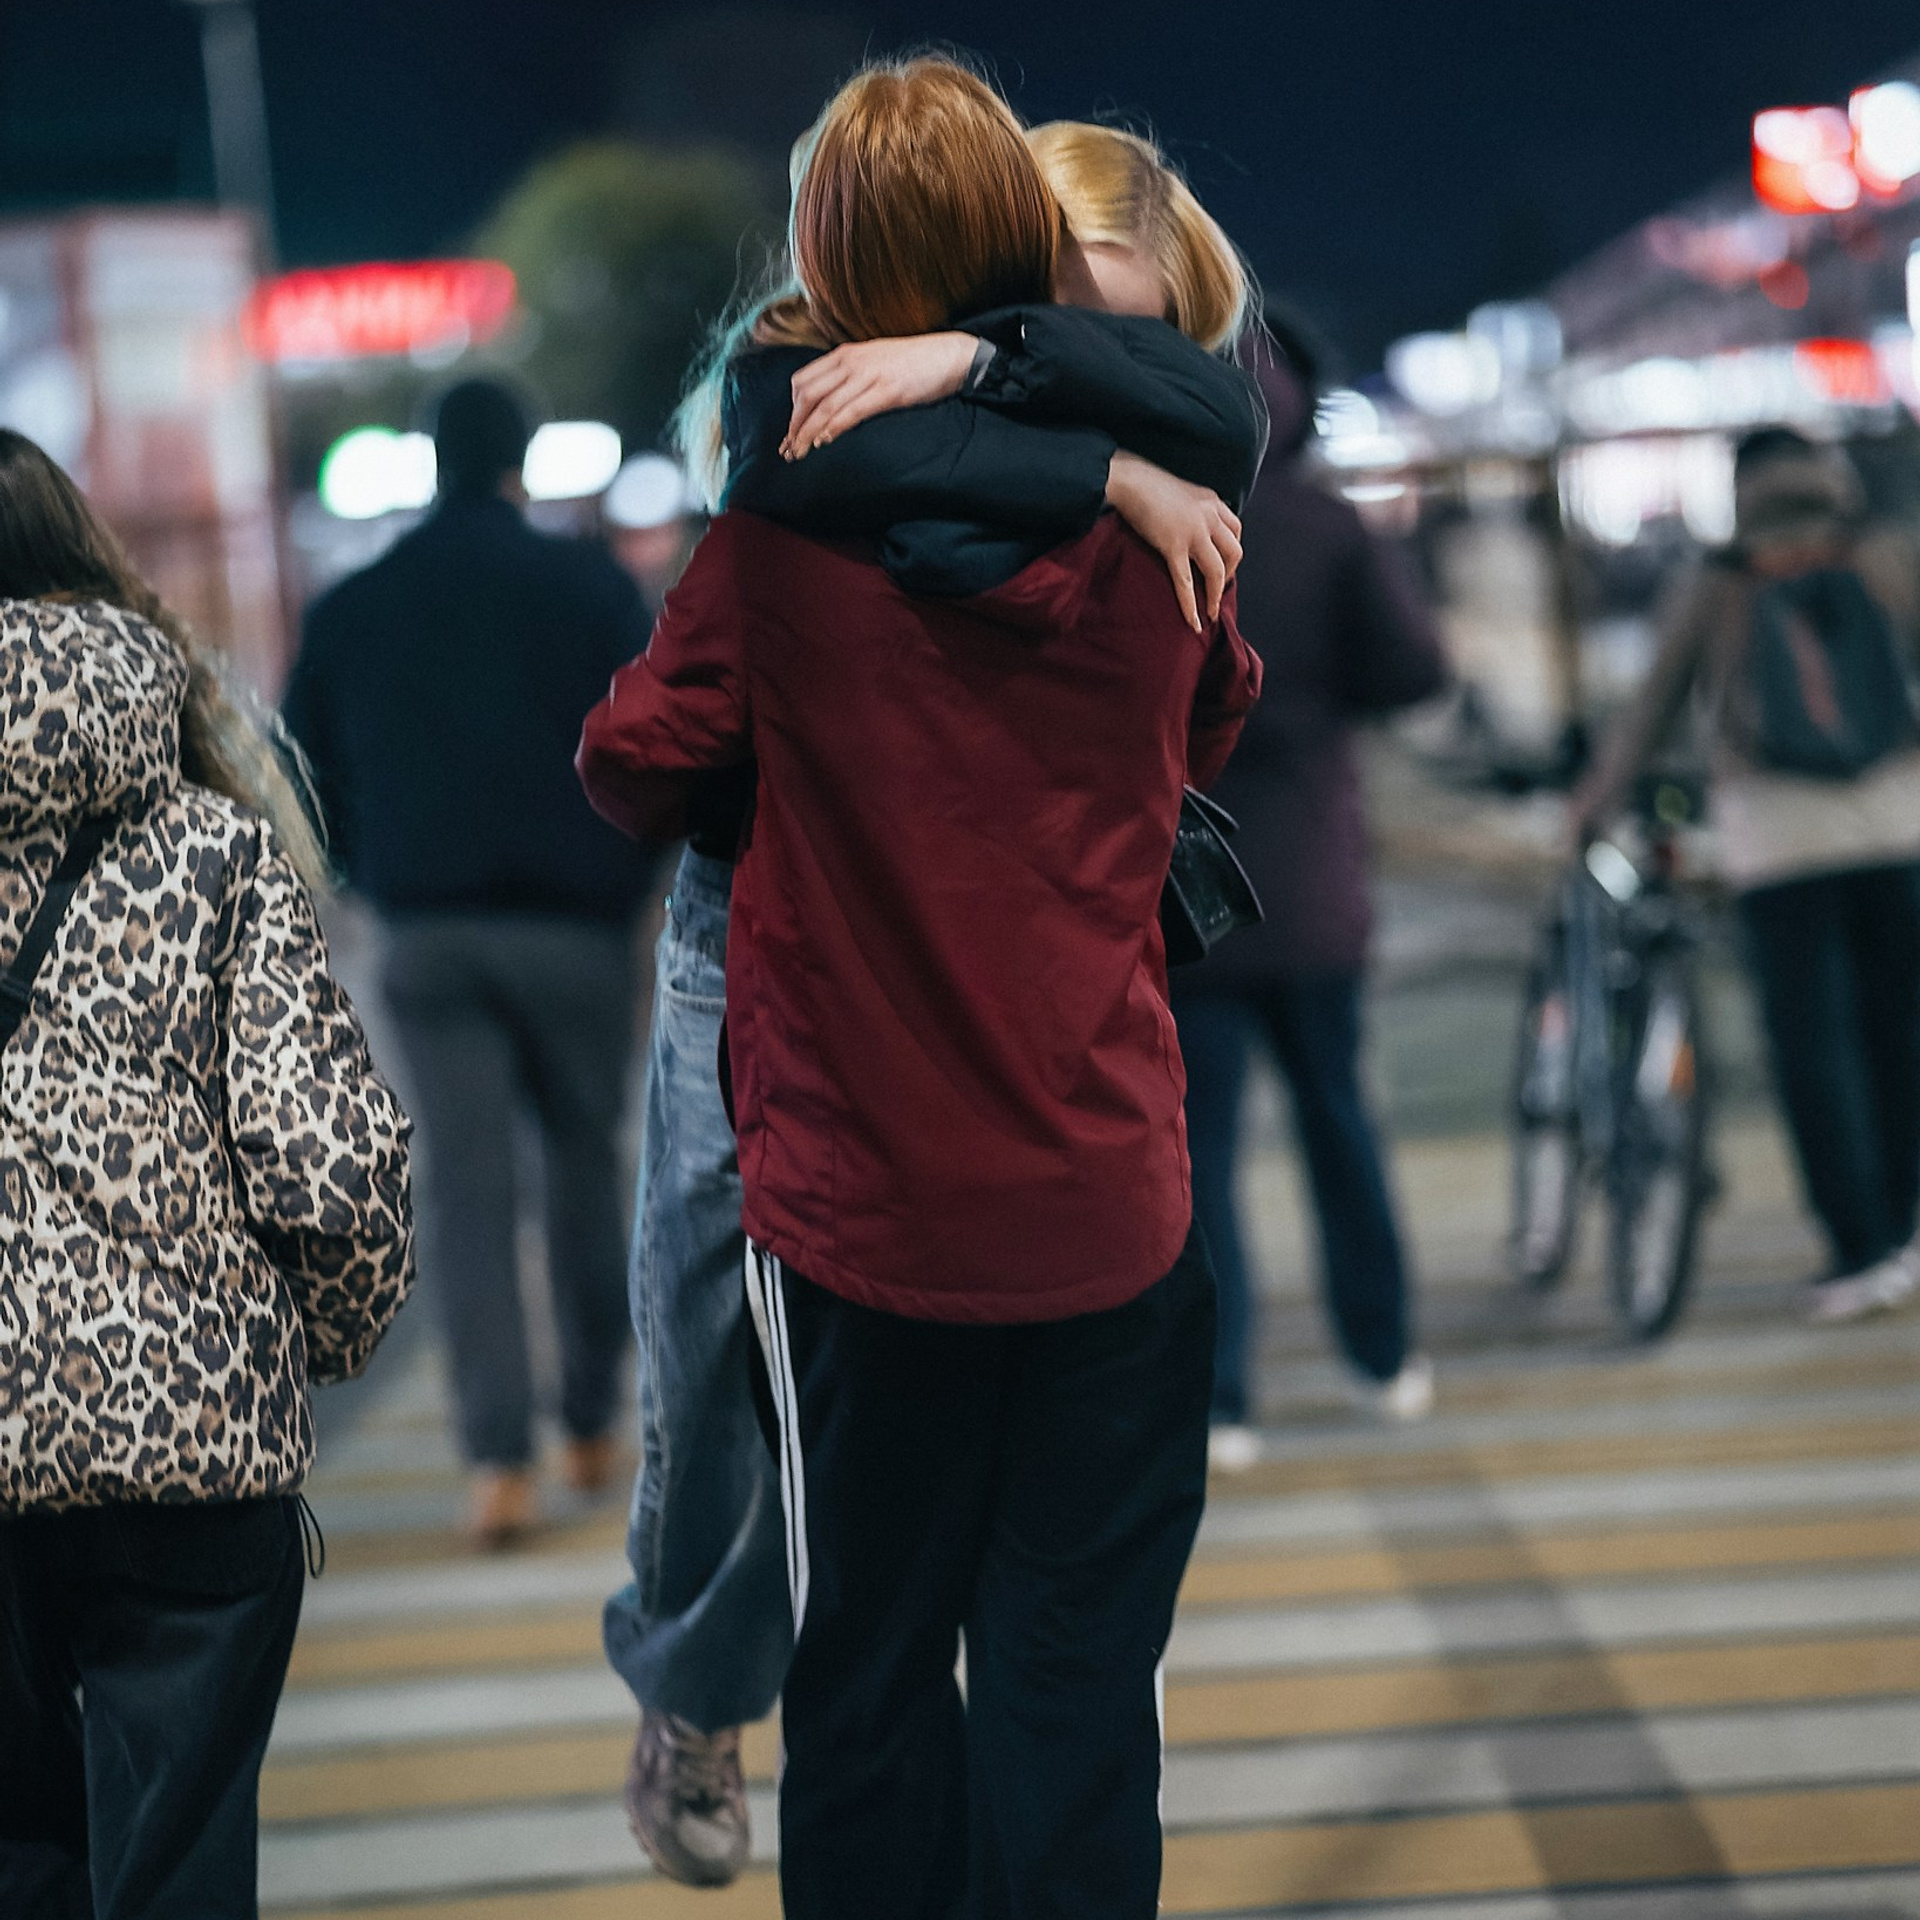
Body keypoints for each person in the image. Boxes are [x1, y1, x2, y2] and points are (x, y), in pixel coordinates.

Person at [580, 56, 1262, 1920]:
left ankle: (687, 1700)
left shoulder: (777, 551)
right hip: (1109, 1219)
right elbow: (1212, 718)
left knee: (871, 1686)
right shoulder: (1172, 544)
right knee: (1074, 1690)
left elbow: (637, 761)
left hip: (867, 1230)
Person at [0, 429, 414, 1919]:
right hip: (187, 1454)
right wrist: (313, 1351)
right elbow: (330, 1164)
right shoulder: (207, 844)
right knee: (179, 1875)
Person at [282, 378, 657, 1548]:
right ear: (520, 462)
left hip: (429, 933)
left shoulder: (357, 604)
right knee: (588, 1165)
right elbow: (659, 735)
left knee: (466, 1189)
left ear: (430, 463)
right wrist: (631, 878)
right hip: (580, 932)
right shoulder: (593, 587)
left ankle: (497, 1460)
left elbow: (304, 763)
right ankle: (593, 1422)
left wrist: (368, 872)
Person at [1164, 328, 1448, 1465]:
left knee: (1202, 1148)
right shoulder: (1331, 526)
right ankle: (1382, 1358)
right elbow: (1415, 671)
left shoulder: (1153, 524)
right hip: (1317, 881)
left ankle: (1226, 1396)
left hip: (1194, 890)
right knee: (1340, 1120)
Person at [1575, 426, 1920, 1324]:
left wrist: (1594, 803)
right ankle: (1909, 1223)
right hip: (1896, 824)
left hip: (1775, 842)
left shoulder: (1718, 580)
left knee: (1814, 1046)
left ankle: (1860, 1246)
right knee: (1900, 1027)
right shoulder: (1886, 557)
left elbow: (1653, 708)